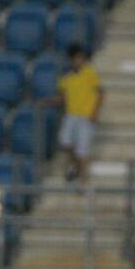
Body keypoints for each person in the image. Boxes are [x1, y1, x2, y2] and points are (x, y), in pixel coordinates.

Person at [44, 45, 102, 183]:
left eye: (81, 58)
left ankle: (84, 180)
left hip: (85, 116)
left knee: (82, 151)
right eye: (76, 58)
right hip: (71, 115)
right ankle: (76, 167)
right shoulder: (67, 78)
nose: (79, 61)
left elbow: (101, 94)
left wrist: (95, 112)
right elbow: (61, 98)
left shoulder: (90, 73)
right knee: (65, 143)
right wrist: (46, 101)